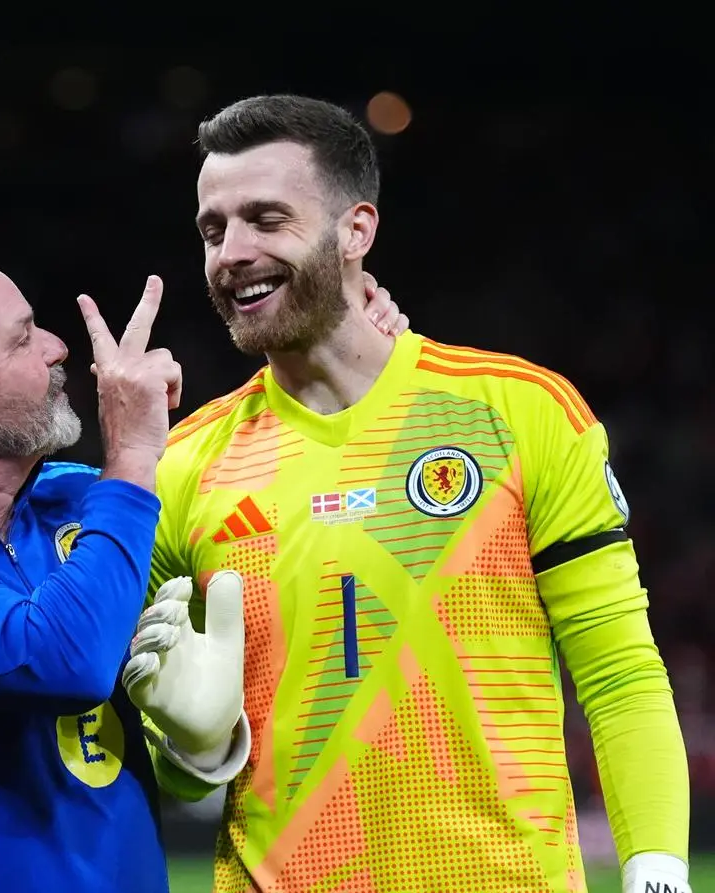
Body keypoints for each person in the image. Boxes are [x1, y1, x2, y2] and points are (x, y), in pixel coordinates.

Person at [142, 94, 690, 893]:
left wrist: (659, 876)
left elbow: (620, 673)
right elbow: (175, 759)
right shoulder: (184, 465)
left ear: (356, 230)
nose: (232, 253)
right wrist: (189, 753)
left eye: (266, 218)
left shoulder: (519, 412)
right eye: (213, 229)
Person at [0, 260, 406, 893]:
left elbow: (283, 507)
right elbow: (63, 660)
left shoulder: (86, 502)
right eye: (24, 338)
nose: (59, 348)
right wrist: (134, 452)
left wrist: (349, 345)